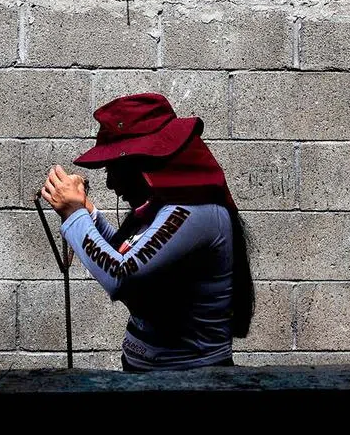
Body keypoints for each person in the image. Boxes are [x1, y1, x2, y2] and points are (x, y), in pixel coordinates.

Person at [39, 92, 255, 372]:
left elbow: (121, 275)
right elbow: (127, 254)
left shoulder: (193, 211)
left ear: (142, 164)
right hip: (149, 374)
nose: (110, 184)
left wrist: (74, 214)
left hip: (189, 380)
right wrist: (89, 214)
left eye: (114, 169)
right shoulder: (166, 205)